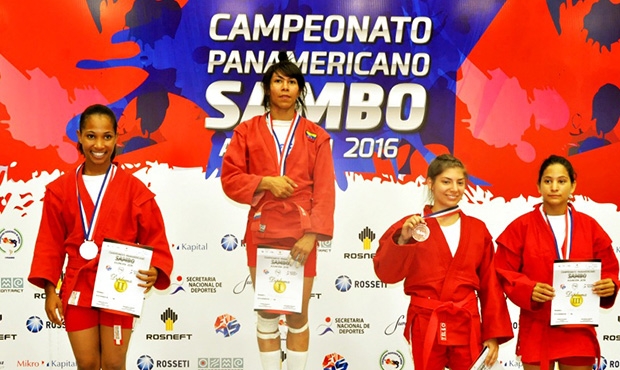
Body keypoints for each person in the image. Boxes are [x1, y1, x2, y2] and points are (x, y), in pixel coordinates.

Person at [28, 104, 174, 370]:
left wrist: (155, 269)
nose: (99, 144)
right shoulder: (59, 190)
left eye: (107, 136)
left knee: (114, 364)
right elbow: (49, 244)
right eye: (91, 135)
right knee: (87, 364)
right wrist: (51, 291)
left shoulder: (134, 190)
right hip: (77, 287)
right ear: (80, 137)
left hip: (119, 288)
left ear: (117, 139)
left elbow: (156, 237)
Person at [220, 50, 335, 370]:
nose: (285, 87)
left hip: (301, 236)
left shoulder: (317, 136)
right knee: (268, 311)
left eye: (292, 82)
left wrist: (312, 235)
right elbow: (230, 178)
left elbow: (325, 191)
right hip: (263, 231)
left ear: (300, 90)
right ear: (267, 88)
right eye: (278, 81)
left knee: (298, 313)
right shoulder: (247, 131)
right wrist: (265, 182)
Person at [373, 154, 513, 370]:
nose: (454, 189)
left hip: (466, 320)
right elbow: (387, 274)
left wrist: (492, 334)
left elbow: (490, 284)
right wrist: (403, 238)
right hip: (426, 319)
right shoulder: (412, 226)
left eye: (460, 182)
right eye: (446, 181)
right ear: (430, 183)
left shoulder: (477, 229)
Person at [495, 154, 619, 370]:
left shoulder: (590, 227)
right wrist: (528, 289)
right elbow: (502, 270)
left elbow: (609, 269)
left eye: (562, 181)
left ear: (573, 185)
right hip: (537, 325)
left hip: (578, 325)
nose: (554, 187)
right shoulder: (521, 227)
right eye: (548, 181)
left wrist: (610, 284)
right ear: (538, 185)